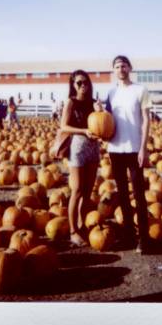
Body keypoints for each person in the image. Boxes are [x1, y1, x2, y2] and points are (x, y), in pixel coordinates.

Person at [106, 55, 152, 254]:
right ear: (114, 70)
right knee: (123, 196)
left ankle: (144, 238)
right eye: (117, 66)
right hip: (115, 150)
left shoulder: (140, 90)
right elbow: (105, 121)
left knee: (139, 195)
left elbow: (146, 120)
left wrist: (144, 147)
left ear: (130, 68)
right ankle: (128, 237)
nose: (121, 69)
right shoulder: (111, 93)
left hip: (134, 149)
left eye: (124, 65)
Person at [60, 70, 103, 247]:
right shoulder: (71, 102)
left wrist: (100, 111)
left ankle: (81, 223)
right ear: (73, 85)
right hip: (77, 147)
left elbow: (102, 123)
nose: (83, 86)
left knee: (87, 191)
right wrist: (83, 131)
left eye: (85, 82)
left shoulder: (94, 102)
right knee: (77, 189)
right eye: (79, 83)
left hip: (93, 148)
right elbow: (63, 126)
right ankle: (73, 231)